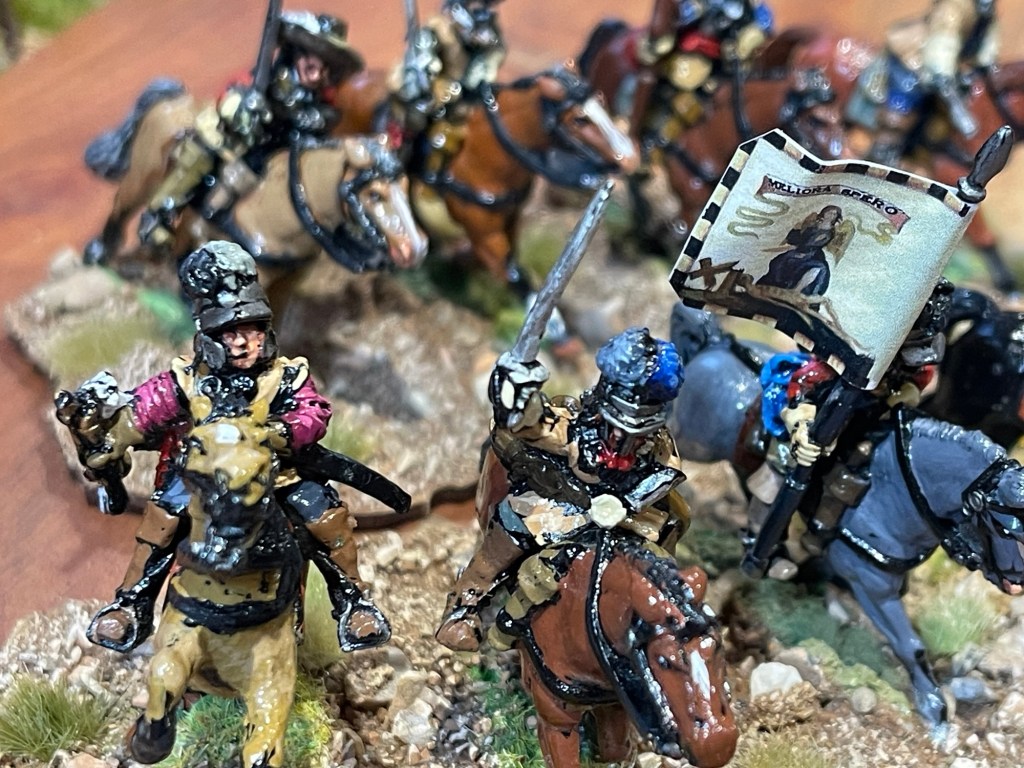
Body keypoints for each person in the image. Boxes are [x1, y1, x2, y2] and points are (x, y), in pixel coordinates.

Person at [64, 241, 390, 653]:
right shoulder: (184, 381)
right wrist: (103, 432)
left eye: (253, 330)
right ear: (210, 336)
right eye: (231, 333)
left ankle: (353, 602)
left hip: (277, 476)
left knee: (324, 517)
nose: (243, 342)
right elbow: (140, 413)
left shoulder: (286, 377)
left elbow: (314, 413)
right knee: (163, 519)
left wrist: (281, 432)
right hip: (198, 478)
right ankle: (132, 603)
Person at [435, 327, 689, 652]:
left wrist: (627, 502)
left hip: (625, 517)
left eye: (636, 431)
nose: (621, 439)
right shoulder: (576, 427)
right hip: (562, 505)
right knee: (508, 535)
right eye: (616, 425)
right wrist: (517, 397)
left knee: (665, 541)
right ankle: (462, 608)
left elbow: (666, 474)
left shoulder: (659, 447)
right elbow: (534, 427)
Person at [743, 278, 955, 578]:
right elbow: (802, 387)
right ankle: (757, 536)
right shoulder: (849, 347)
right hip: (819, 406)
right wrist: (802, 427)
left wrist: (903, 393)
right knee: (781, 469)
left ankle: (819, 539)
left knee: (855, 474)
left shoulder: (919, 353)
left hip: (869, 413)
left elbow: (918, 378)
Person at [139, 11, 364, 248]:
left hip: (274, 150)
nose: (317, 75)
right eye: (311, 67)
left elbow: (326, 119)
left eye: (324, 70)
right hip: (233, 137)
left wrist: (314, 122)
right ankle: (159, 215)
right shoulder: (270, 77)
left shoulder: (322, 96)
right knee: (200, 156)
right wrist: (245, 108)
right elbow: (231, 97)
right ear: (299, 55)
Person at [868, 0, 998, 165]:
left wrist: (983, 68)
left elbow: (987, 45)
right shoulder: (952, 8)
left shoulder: (986, 14)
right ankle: (883, 150)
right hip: (916, 57)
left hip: (952, 66)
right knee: (905, 98)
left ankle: (930, 148)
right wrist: (944, 78)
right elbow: (942, 45)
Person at [630, 0, 774, 146]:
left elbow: (761, 37)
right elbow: (684, 15)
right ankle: (639, 126)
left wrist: (743, 46)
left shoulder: (757, 12)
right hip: (690, 52)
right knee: (682, 71)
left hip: (722, 72)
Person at [387, 0, 506, 166]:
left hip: (468, 92)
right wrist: (431, 81)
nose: (482, 11)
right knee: (416, 116)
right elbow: (422, 64)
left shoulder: (491, 35)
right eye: (477, 7)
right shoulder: (437, 30)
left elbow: (487, 66)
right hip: (435, 88)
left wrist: (487, 54)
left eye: (486, 7)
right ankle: (398, 159)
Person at [756, 205, 846, 296]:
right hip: (799, 250)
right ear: (824, 212)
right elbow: (801, 236)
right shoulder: (814, 224)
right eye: (829, 212)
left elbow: (812, 243)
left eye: (834, 214)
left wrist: (799, 249)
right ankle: (773, 287)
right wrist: (796, 231)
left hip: (812, 254)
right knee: (778, 261)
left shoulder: (830, 232)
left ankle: (796, 291)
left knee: (816, 267)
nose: (831, 215)